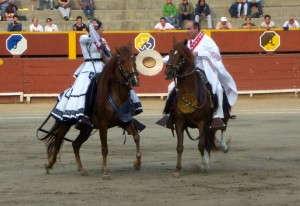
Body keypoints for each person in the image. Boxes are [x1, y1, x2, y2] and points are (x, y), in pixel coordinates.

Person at [51, 19, 142, 130]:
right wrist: (92, 29)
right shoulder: (84, 38)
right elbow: (92, 38)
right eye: (101, 28)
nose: (103, 30)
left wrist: (103, 47)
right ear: (95, 29)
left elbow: (108, 56)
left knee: (121, 84)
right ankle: (85, 115)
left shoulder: (102, 40)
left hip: (102, 68)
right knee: (86, 89)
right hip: (88, 69)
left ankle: (127, 112)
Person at [164, 20, 238, 130]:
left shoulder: (207, 41)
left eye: (189, 29)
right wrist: (161, 60)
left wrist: (198, 53)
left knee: (217, 88)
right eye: (186, 29)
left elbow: (216, 54)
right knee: (171, 87)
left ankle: (217, 116)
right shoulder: (187, 43)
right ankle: (169, 114)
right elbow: (176, 56)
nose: (187, 31)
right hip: (190, 72)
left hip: (206, 71)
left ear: (196, 29)